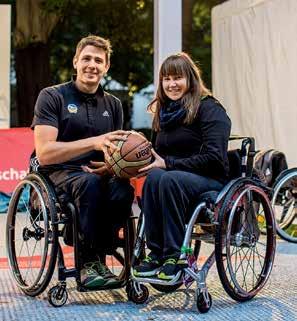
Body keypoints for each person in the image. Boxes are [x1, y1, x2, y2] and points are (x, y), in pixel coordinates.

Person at [31, 35, 134, 289]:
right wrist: (94, 142)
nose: (92, 65)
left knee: (123, 188)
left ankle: (96, 250)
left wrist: (113, 166)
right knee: (90, 184)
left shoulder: (114, 104)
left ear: (106, 67)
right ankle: (89, 261)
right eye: (86, 58)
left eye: (99, 60)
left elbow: (116, 151)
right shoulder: (52, 96)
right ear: (75, 61)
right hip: (58, 172)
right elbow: (44, 153)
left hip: (98, 172)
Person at [133, 52, 231, 280]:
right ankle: (156, 254)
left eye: (177, 77)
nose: (171, 84)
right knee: (154, 178)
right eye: (166, 79)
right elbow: (158, 155)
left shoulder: (210, 109)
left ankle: (176, 255)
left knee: (166, 177)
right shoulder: (164, 113)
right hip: (174, 179)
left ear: (190, 79)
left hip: (211, 179)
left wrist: (168, 163)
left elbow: (215, 158)